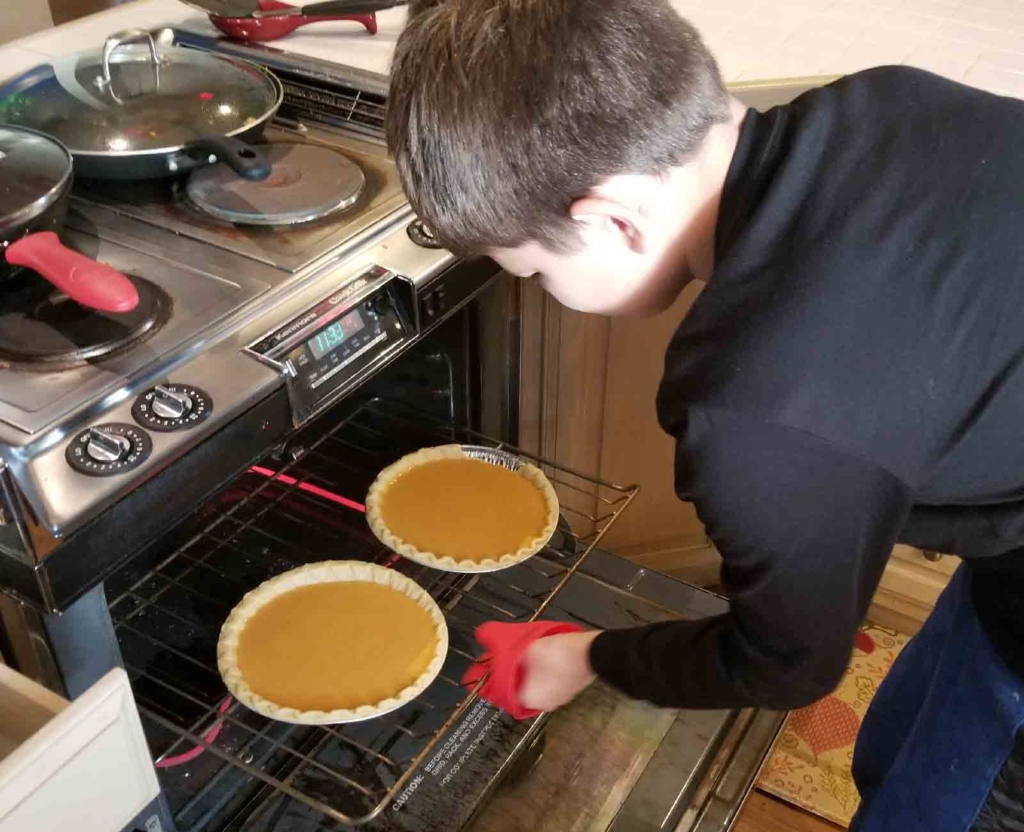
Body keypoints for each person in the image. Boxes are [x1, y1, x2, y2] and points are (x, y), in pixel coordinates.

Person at [385, 1, 1024, 828]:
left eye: (534, 272)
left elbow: (790, 665)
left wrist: (582, 655)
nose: (538, 290)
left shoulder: (756, 403)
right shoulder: (883, 102)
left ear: (611, 216)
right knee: (909, 737)